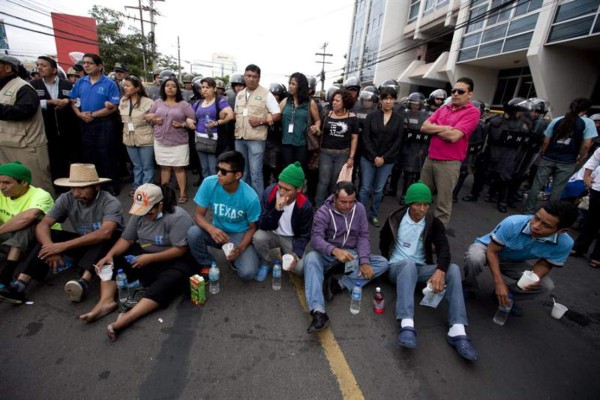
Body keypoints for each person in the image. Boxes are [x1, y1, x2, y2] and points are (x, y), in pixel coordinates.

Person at [379, 182, 478, 361]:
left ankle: (457, 329)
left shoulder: (434, 223)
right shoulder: (394, 219)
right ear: (409, 204)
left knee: (453, 269)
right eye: (418, 204)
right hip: (397, 268)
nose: (422, 209)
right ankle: (407, 324)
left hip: (420, 268)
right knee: (408, 264)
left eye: (426, 205)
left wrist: (440, 270)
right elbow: (383, 242)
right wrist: (387, 262)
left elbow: (444, 248)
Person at [84, 184, 195, 341]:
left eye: (149, 212)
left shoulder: (177, 217)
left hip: (172, 259)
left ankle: (128, 317)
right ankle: (105, 302)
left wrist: (149, 258)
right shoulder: (139, 213)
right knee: (112, 258)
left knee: (171, 280)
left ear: (160, 205)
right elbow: (127, 239)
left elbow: (180, 250)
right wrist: (110, 255)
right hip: (145, 254)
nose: (145, 215)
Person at [0, 164, 123, 304]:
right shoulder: (67, 198)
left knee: (109, 237)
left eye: (82, 188)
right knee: (49, 235)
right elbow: (43, 224)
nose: (76, 193)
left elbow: (105, 232)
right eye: (73, 188)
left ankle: (83, 282)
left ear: (96, 186)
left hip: (109, 247)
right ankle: (20, 285)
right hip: (82, 243)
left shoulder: (110, 202)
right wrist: (50, 246)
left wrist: (61, 247)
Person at [304, 181, 389, 332]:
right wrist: (334, 250)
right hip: (328, 254)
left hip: (351, 255)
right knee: (311, 258)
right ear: (335, 198)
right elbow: (316, 239)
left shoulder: (360, 209)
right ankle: (319, 312)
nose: (348, 206)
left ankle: (339, 284)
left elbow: (363, 236)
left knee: (382, 263)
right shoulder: (323, 211)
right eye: (343, 202)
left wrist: (364, 261)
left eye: (352, 202)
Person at [464, 201, 578, 309]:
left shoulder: (565, 244)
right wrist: (499, 283)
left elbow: (545, 264)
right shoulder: (513, 223)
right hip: (489, 250)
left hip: (514, 262)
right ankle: (469, 287)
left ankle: (506, 297)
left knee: (545, 285)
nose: (536, 226)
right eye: (536, 218)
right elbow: (492, 251)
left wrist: (534, 278)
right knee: (474, 257)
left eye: (546, 225)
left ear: (561, 231)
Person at [187, 151, 261, 281]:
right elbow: (198, 215)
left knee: (248, 273)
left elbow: (252, 228)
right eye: (217, 169)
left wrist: (241, 247)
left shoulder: (251, 197)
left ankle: (237, 257)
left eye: (224, 171)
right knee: (193, 232)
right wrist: (212, 229)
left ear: (238, 175)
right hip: (217, 230)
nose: (218, 174)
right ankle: (208, 264)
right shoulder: (209, 183)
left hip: (239, 234)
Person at [420, 77, 481, 227]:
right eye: (453, 90)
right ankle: (419, 228)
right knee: (421, 197)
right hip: (430, 159)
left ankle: (436, 238)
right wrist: (445, 128)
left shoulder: (472, 112)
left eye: (460, 91)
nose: (455, 94)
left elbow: (453, 137)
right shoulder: (443, 108)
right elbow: (423, 127)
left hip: (449, 164)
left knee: (443, 204)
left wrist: (435, 129)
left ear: (470, 94)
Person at [524, 98, 598, 213]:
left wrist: (544, 153)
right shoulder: (588, 123)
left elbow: (546, 141)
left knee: (537, 184)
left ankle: (528, 211)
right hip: (568, 161)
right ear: (585, 110)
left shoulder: (557, 120)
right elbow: (587, 145)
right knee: (557, 189)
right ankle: (550, 213)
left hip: (549, 157)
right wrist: (581, 158)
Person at [68, 53, 121, 195]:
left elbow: (113, 106)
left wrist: (93, 114)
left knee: (107, 154)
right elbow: (73, 101)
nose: (86, 65)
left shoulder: (109, 83)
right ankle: (95, 186)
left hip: (104, 123)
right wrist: (79, 114)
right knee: (90, 156)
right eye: (85, 63)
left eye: (90, 63)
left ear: (99, 66)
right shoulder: (80, 82)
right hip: (85, 123)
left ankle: (111, 185)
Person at [0, 55, 53, 192]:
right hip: (5, 145)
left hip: (27, 147)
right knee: (12, 186)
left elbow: (25, 111)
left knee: (36, 186)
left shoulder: (23, 87)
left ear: (7, 67)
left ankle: (46, 214)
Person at [0, 162, 56, 286]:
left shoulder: (41, 195)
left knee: (28, 224)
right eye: (0, 182)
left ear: (24, 182)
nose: (2, 186)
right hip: (11, 239)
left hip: (42, 241)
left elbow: (28, 217)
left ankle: (7, 273)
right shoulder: (1, 194)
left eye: (6, 183)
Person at [253, 162, 313, 275]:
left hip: (290, 238)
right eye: (280, 186)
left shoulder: (305, 206)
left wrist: (295, 254)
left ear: (299, 189)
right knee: (258, 238)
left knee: (300, 269)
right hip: (272, 233)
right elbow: (262, 224)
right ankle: (266, 262)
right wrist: (276, 210)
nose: (281, 192)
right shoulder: (269, 193)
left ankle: (285, 251)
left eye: (287, 189)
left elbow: (305, 235)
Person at [30, 56, 80, 192]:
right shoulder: (33, 86)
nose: (40, 68)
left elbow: (78, 101)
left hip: (68, 130)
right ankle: (59, 189)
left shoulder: (67, 85)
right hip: (46, 131)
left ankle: (75, 187)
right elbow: (30, 105)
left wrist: (68, 102)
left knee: (72, 160)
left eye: (44, 65)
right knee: (52, 161)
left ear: (53, 69)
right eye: (38, 65)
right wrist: (50, 102)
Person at [146, 77, 196, 204]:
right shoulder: (157, 102)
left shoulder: (184, 105)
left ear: (177, 89)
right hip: (161, 141)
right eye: (167, 85)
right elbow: (148, 116)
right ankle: (164, 193)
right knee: (165, 168)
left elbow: (193, 121)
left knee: (179, 168)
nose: (170, 88)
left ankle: (183, 193)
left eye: (173, 86)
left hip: (178, 142)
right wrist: (154, 119)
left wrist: (183, 125)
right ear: (163, 88)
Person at [358, 86, 403, 227]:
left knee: (378, 190)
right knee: (365, 188)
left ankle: (373, 215)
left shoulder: (399, 119)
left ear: (395, 100)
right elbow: (365, 138)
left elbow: (398, 141)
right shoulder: (371, 116)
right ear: (380, 100)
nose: (388, 101)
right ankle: (359, 215)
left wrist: (383, 157)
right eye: (385, 98)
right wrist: (374, 156)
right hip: (368, 158)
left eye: (391, 98)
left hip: (387, 160)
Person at [233, 64, 281, 195]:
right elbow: (236, 112)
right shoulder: (240, 95)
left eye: (255, 76)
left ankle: (258, 205)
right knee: (242, 173)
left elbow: (277, 114)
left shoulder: (266, 94)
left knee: (256, 174)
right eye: (248, 76)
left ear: (259, 78)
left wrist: (261, 121)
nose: (251, 79)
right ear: (244, 76)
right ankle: (244, 201)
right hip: (239, 138)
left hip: (256, 139)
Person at [483, 97, 532, 213]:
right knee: (494, 174)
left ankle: (502, 201)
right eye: (519, 111)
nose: (521, 113)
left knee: (505, 177)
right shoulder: (497, 120)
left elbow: (525, 138)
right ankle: (490, 194)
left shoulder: (523, 124)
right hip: (495, 151)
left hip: (510, 154)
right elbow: (490, 134)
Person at [315, 89, 359, 207]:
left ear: (344, 102)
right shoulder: (326, 114)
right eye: (333, 100)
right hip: (326, 153)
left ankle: (332, 206)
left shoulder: (352, 118)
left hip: (342, 154)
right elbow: (321, 132)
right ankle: (319, 208)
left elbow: (354, 138)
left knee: (336, 182)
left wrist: (351, 157)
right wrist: (316, 130)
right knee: (323, 181)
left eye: (337, 100)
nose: (334, 102)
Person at [192, 77, 234, 180]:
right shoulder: (198, 102)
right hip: (199, 139)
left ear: (214, 89)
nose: (205, 90)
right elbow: (190, 115)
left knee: (213, 168)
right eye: (202, 87)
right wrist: (189, 121)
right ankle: (208, 190)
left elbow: (230, 115)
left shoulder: (220, 101)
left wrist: (216, 123)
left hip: (214, 140)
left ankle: (216, 191)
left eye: (208, 87)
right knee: (204, 168)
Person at [119, 76, 155, 195]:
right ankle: (136, 187)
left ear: (137, 88)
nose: (125, 87)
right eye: (124, 85)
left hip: (145, 137)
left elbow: (155, 119)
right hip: (129, 137)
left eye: (128, 85)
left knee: (147, 166)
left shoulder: (148, 102)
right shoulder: (123, 101)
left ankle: (146, 189)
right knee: (136, 166)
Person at [279, 72, 321, 171]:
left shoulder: (310, 103)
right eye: (290, 83)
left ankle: (299, 187)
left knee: (299, 172)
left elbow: (317, 120)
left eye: (293, 84)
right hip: (286, 143)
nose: (290, 86)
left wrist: (316, 127)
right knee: (287, 172)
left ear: (301, 86)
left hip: (302, 144)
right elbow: (276, 115)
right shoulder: (285, 101)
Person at [570, 147, 600, 268]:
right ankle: (580, 247)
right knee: (591, 219)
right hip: (598, 188)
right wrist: (586, 176)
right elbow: (594, 159)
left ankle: (597, 256)